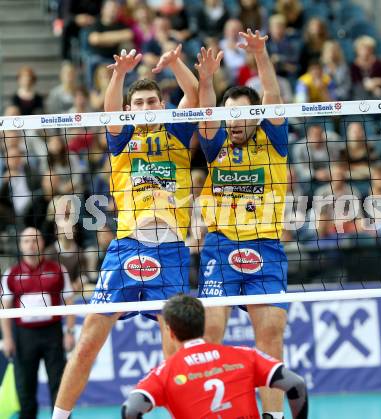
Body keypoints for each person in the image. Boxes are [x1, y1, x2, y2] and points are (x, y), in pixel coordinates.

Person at [51, 44, 198, 419]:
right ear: (131, 110)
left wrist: (176, 63)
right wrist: (119, 74)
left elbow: (194, 94)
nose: (147, 108)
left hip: (171, 252)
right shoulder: (121, 138)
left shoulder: (177, 133)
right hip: (127, 248)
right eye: (141, 103)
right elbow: (110, 111)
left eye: (153, 102)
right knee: (87, 344)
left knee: (176, 348)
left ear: (162, 106)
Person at [195, 30, 289, 418]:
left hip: (265, 247)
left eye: (241, 114)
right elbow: (204, 113)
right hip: (220, 246)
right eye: (228, 114)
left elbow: (273, 98)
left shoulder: (274, 141)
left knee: (270, 335)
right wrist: (205, 82)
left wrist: (262, 56)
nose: (233, 122)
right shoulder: (215, 145)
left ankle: (273, 416)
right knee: (210, 333)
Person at [121, 294, 308, 419]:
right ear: (203, 324)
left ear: (170, 332)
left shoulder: (164, 373)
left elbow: (130, 410)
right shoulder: (244, 356)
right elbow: (296, 385)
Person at [1, 227, 75, 419]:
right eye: (26, 240)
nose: (31, 244)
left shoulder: (58, 269)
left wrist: (69, 332)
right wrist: (7, 338)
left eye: (35, 239)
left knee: (59, 385)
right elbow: (5, 309)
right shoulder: (12, 272)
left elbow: (69, 302)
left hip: (53, 334)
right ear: (20, 245)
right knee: (25, 388)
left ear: (42, 243)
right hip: (24, 336)